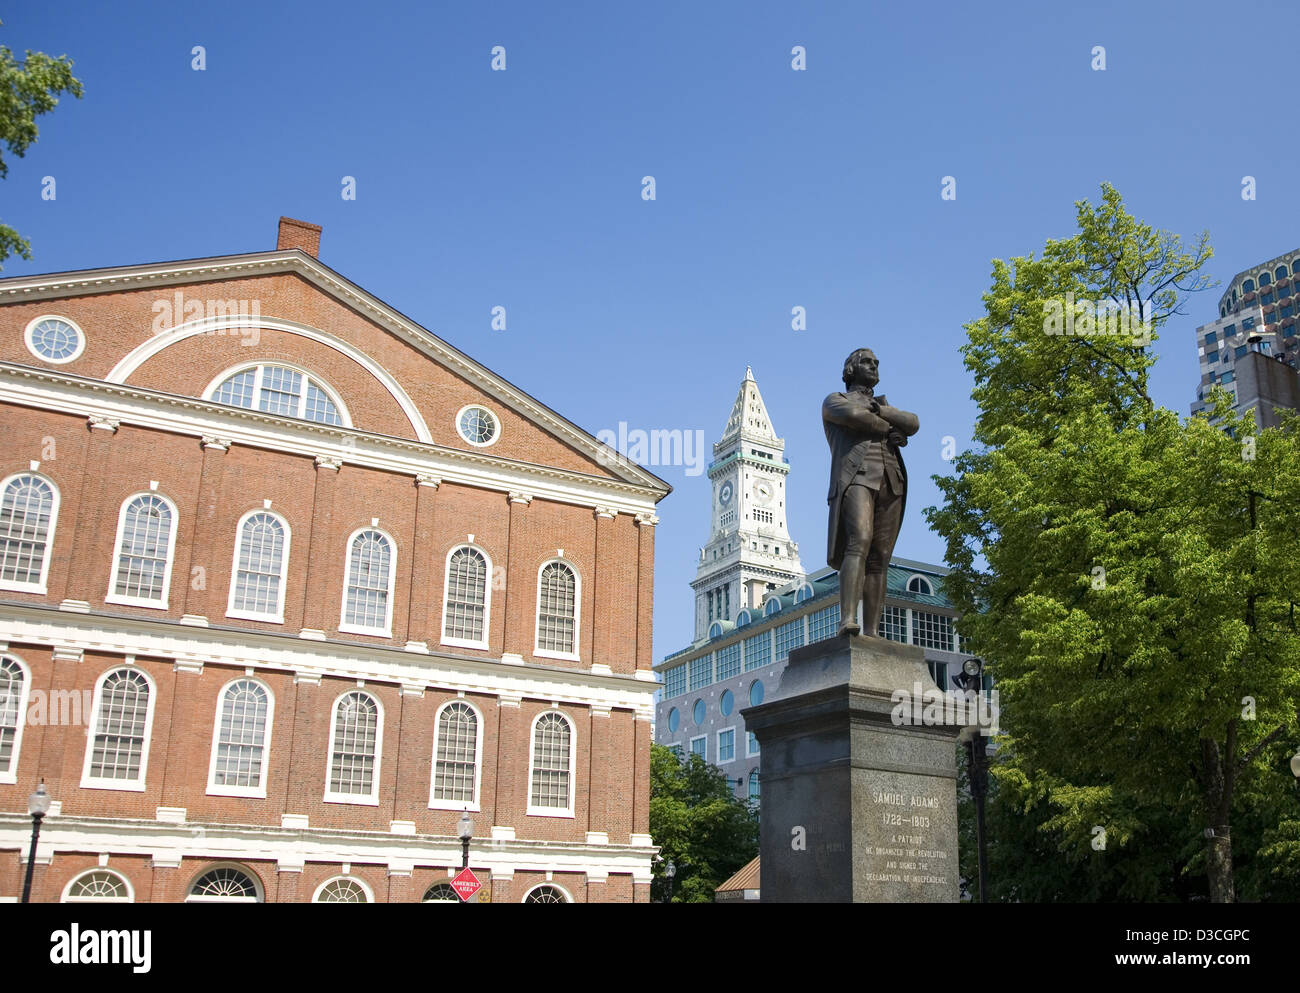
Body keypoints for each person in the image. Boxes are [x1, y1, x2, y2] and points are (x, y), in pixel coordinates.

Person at [822, 348, 919, 637]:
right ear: (851, 369)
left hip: (892, 480)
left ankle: (872, 632)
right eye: (867, 362)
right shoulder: (835, 400)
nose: (874, 366)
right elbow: (854, 416)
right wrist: (889, 425)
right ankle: (847, 620)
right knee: (859, 541)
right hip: (858, 477)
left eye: (877, 363)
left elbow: (913, 423)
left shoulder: (881, 405)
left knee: (881, 556)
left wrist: (883, 411)